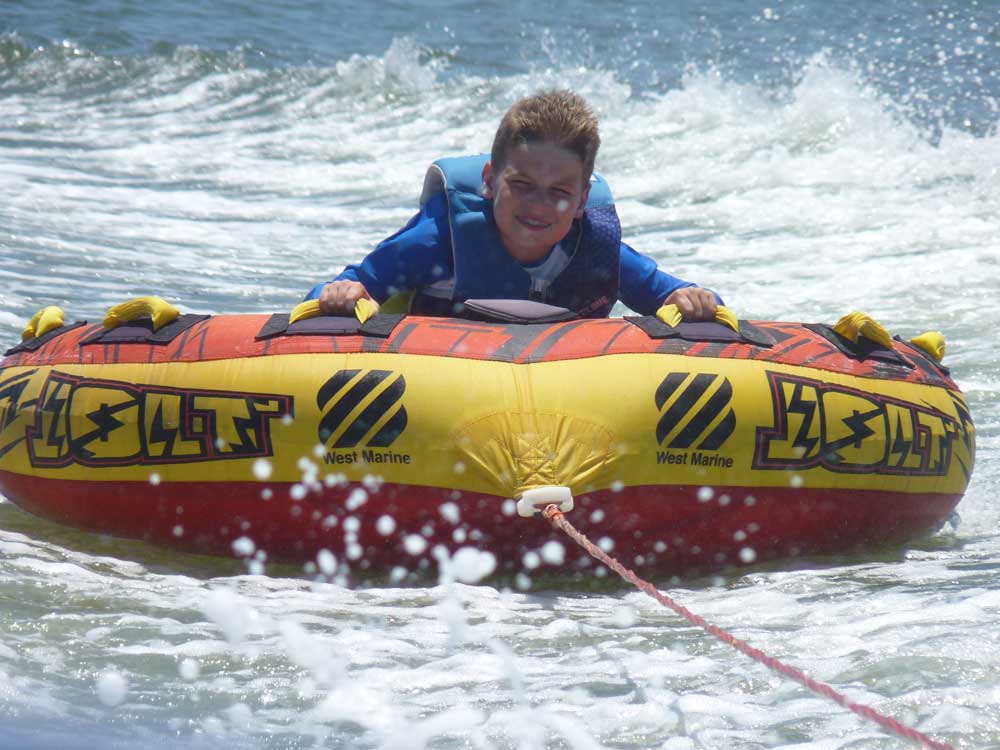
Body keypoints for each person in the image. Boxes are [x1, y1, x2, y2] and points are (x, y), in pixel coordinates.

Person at [306, 90, 720, 320]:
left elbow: (674, 294)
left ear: (581, 201)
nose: (538, 206)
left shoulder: (597, 251)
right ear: (489, 180)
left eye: (559, 193)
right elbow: (350, 284)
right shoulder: (441, 239)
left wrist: (692, 300)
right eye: (521, 184)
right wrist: (341, 293)